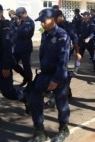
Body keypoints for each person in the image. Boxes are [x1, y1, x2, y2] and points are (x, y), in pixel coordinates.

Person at [29, 8, 70, 142]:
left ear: (52, 20)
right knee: (34, 98)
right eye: (40, 21)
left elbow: (63, 60)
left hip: (58, 75)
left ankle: (63, 129)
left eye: (44, 21)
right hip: (44, 74)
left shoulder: (62, 35)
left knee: (61, 103)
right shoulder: (44, 34)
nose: (41, 24)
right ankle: (40, 131)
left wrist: (56, 80)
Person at [13, 7, 35, 88]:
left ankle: (29, 83)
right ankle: (25, 76)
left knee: (26, 66)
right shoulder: (19, 21)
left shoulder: (29, 22)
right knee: (13, 63)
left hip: (25, 47)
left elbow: (25, 34)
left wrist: (19, 25)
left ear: (24, 13)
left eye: (19, 15)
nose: (18, 16)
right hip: (17, 46)